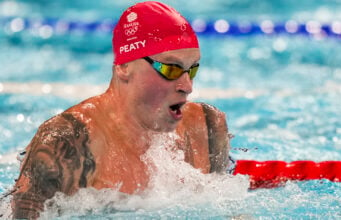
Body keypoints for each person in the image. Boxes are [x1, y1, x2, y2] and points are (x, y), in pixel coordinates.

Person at [12, 1, 231, 218]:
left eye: (192, 70)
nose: (187, 86)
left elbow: (225, 208)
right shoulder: (69, 141)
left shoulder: (206, 127)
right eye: (170, 69)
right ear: (124, 66)